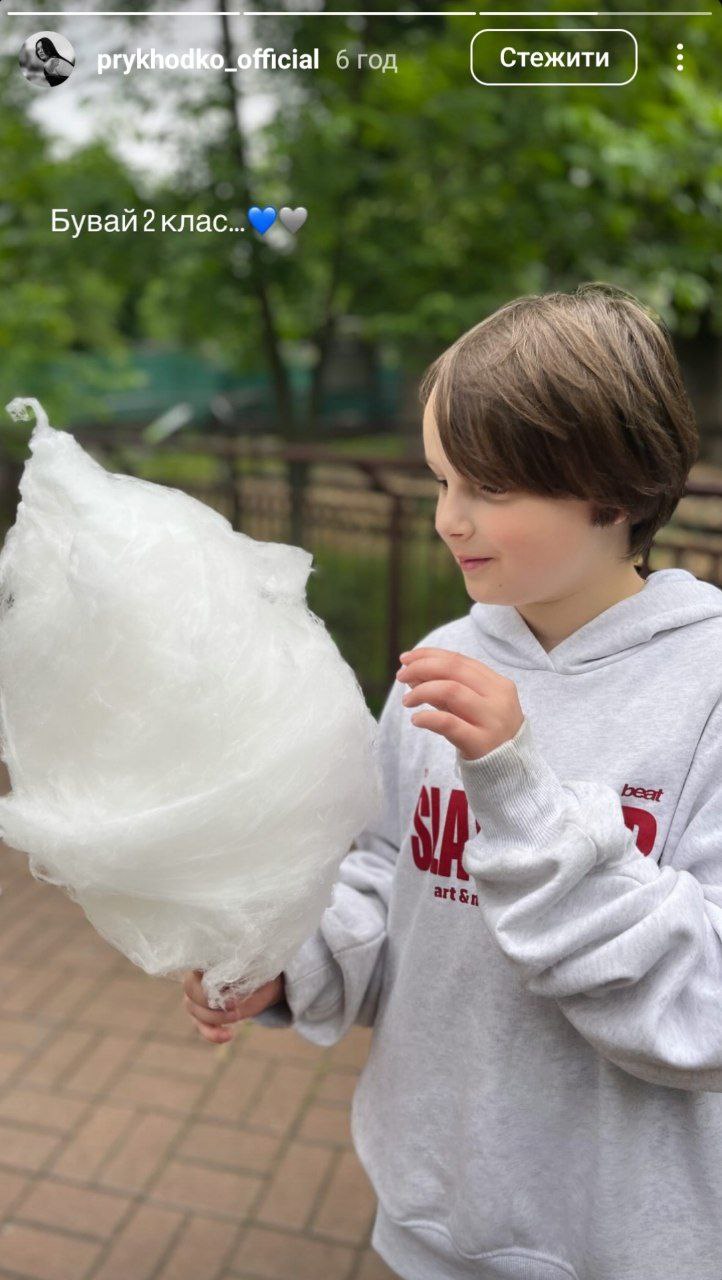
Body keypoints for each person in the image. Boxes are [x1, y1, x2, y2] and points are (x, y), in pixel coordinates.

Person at [183, 282, 722, 1280]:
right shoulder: (441, 659)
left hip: (622, 1242)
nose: (448, 519)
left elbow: (705, 1008)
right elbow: (387, 874)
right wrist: (290, 962)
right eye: (440, 480)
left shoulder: (706, 686)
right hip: (430, 1215)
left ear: (612, 486)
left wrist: (518, 790)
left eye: (490, 488)